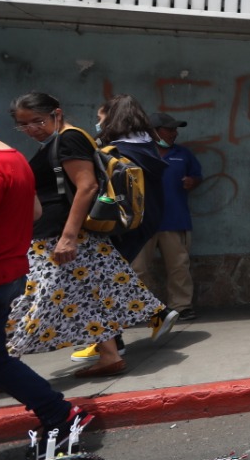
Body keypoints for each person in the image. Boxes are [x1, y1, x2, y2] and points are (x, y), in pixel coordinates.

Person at [6, 92, 164, 378]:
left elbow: (87, 186)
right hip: (60, 236)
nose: (32, 130)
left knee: (29, 301)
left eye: (37, 121)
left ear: (57, 113)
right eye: (23, 125)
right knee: (87, 296)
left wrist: (68, 236)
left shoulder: (68, 139)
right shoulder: (56, 142)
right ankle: (109, 354)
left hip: (60, 237)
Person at [0, 108, 90, 445]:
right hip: (7, 274)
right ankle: (60, 414)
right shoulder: (15, 158)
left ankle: (59, 414)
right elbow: (35, 212)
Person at [70, 96, 178, 365]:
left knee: (103, 281)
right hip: (143, 218)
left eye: (100, 117)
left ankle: (117, 337)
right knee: (114, 277)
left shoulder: (115, 151)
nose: (97, 122)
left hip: (119, 222)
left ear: (113, 118)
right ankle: (131, 328)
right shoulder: (149, 147)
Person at [130, 112, 203, 322]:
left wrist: (192, 182)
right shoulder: (138, 153)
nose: (174, 133)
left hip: (175, 219)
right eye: (169, 129)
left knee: (179, 266)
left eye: (175, 129)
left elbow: (197, 177)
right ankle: (140, 309)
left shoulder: (183, 154)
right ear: (154, 131)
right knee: (138, 269)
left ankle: (181, 306)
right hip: (142, 223)